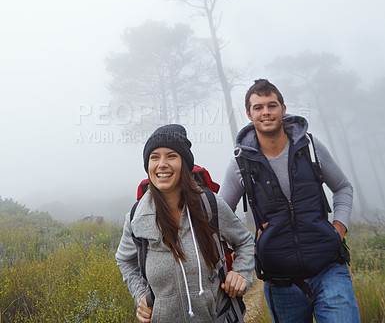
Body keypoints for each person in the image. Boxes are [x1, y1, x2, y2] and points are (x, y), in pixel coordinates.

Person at [219, 79, 360, 323]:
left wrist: (339, 228)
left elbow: (343, 188)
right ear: (249, 114)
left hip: (329, 269)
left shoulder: (311, 148)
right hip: (280, 282)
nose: (266, 112)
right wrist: (248, 246)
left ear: (283, 109)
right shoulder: (240, 164)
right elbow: (219, 215)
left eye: (272, 105)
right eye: (258, 107)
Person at [116, 124, 255, 323]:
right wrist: (140, 295)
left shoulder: (210, 204)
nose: (162, 164)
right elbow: (125, 260)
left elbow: (245, 241)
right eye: (154, 157)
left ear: (185, 163)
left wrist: (241, 273)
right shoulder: (136, 217)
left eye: (171, 156)